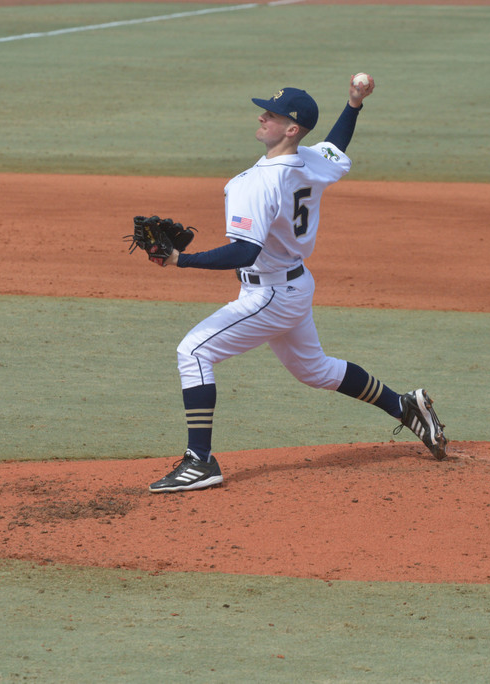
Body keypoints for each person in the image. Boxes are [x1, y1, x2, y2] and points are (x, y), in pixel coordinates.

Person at [146, 75, 447, 493]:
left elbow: (243, 253)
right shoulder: (309, 160)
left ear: (291, 128)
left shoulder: (256, 183)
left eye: (271, 114)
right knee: (316, 370)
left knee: (193, 352)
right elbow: (337, 145)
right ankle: (404, 405)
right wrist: (354, 104)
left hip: (269, 293)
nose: (261, 116)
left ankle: (200, 462)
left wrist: (181, 260)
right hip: (294, 285)